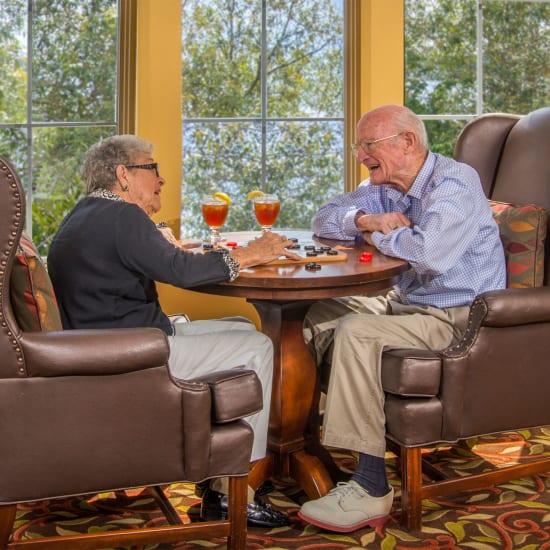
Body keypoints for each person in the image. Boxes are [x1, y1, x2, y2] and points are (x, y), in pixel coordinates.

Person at [47, 134, 301, 528]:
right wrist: (253, 253)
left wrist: (163, 243)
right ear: (123, 175)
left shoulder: (87, 214)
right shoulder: (122, 216)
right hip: (131, 355)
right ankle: (235, 487)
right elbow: (181, 272)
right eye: (152, 168)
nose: (161, 180)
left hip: (109, 343)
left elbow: (156, 263)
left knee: (238, 326)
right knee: (257, 347)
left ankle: (214, 471)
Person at [298, 104, 507, 532]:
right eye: (359, 147)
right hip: (408, 304)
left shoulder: (455, 183)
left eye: (368, 146)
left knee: (356, 332)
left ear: (406, 142)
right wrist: (363, 218)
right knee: (318, 314)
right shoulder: (385, 188)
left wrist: (376, 235)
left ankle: (371, 485)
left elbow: (429, 254)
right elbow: (322, 217)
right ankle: (308, 436)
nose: (360, 156)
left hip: (459, 317)